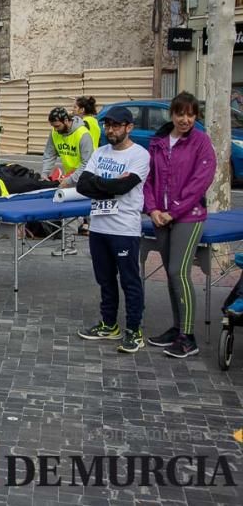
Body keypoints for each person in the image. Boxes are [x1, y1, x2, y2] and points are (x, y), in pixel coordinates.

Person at [143, 91, 217, 359]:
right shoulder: (159, 142)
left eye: (190, 114)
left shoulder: (201, 142)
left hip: (188, 215)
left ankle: (189, 337)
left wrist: (173, 212)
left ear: (195, 116)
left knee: (178, 271)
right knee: (171, 275)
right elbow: (148, 179)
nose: (185, 119)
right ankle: (177, 328)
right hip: (160, 217)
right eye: (180, 113)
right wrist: (152, 209)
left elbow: (200, 181)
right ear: (172, 114)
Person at [74, 107, 150, 353]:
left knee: (129, 281)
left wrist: (103, 184)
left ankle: (134, 330)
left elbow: (126, 185)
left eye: (116, 126)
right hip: (98, 226)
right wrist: (110, 186)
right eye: (108, 125)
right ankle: (109, 324)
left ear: (129, 127)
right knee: (104, 279)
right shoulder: (100, 152)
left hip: (124, 229)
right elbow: (84, 184)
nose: (111, 130)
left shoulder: (139, 155)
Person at [41, 107, 93, 187]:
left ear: (66, 121)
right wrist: (45, 173)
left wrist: (71, 179)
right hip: (69, 177)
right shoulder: (54, 132)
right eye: (53, 126)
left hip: (85, 178)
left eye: (57, 126)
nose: (55, 129)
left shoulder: (83, 134)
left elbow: (87, 163)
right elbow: (49, 155)